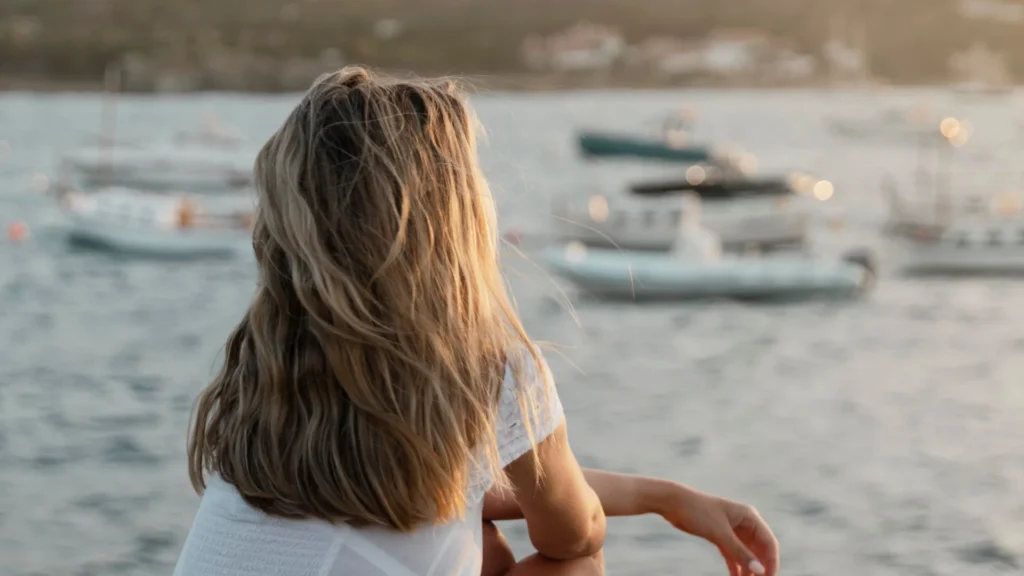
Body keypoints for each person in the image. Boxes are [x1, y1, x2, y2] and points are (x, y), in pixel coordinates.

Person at [173, 67, 779, 576]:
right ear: (450, 222)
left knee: (479, 534)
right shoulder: (491, 367)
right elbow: (576, 532)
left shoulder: (260, 362)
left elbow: (452, 488)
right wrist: (652, 504)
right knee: (572, 564)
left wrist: (663, 498)